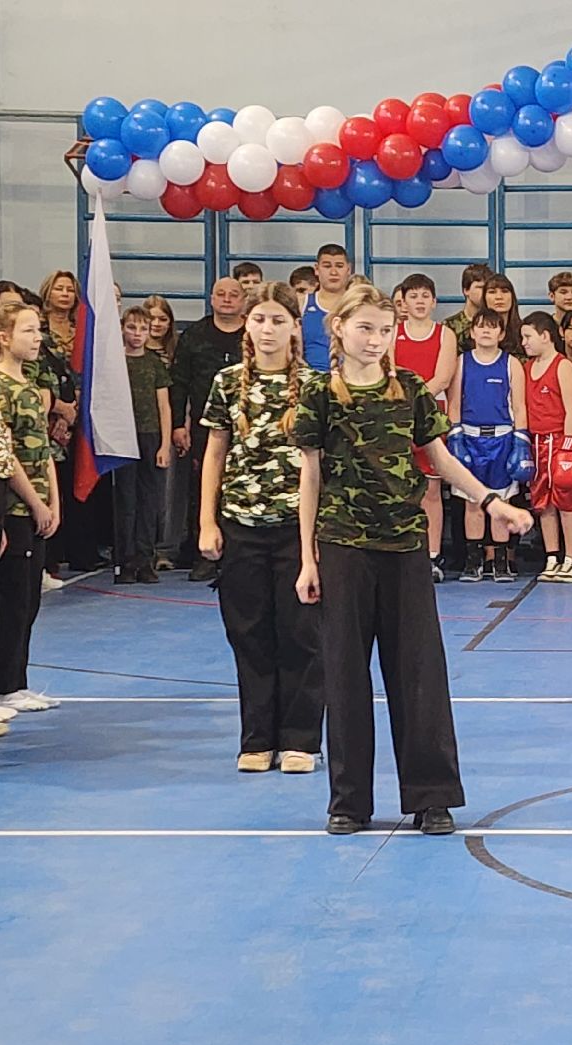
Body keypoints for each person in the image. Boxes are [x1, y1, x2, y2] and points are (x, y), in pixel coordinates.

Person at [294, 284, 533, 836]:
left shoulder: (410, 391)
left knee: (420, 675)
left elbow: (440, 460)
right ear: (339, 330)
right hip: (342, 547)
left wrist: (492, 500)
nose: (376, 340)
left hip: (405, 546)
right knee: (346, 678)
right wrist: (307, 558)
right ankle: (349, 801)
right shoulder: (319, 395)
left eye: (385, 330)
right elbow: (309, 477)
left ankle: (430, 797)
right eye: (365, 328)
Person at [197, 283, 323, 775]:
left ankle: (301, 738)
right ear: (246, 327)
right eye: (259, 320)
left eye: (277, 320)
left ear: (295, 326)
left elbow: (322, 461)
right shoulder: (228, 383)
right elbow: (215, 452)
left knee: (300, 633)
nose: (267, 330)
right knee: (248, 633)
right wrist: (207, 520)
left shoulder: (315, 386)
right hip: (241, 523)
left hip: (297, 527)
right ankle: (257, 737)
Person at [0, 300, 60, 715]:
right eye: (28, 331)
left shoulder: (30, 385)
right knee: (11, 598)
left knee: (28, 598)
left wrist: (53, 501)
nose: (37, 338)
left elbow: (42, 448)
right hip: (13, 508)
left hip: (36, 507)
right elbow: (5, 455)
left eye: (39, 330)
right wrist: (33, 500)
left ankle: (16, 680)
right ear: (3, 338)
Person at [170, 277, 247, 581]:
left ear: (243, 300)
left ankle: (235, 553)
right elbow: (179, 382)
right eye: (221, 294)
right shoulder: (195, 335)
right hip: (206, 426)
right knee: (202, 486)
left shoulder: (252, 334)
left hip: (247, 427)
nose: (227, 300)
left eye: (234, 295)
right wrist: (178, 424)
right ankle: (203, 554)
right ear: (212, 298)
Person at [448, 311, 530, 583]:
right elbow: (454, 403)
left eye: (492, 327)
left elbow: (519, 405)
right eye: (480, 327)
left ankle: (500, 560)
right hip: (470, 436)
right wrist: (455, 435)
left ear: (502, 334)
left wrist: (521, 441)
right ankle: (474, 560)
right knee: (472, 502)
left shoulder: (511, 364)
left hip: (502, 438)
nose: (485, 332)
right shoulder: (462, 362)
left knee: (500, 500)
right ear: (471, 331)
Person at [389, 274, 459, 582]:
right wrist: (403, 408)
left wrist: (417, 404)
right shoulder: (393, 332)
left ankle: (431, 556)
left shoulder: (445, 334)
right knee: (400, 488)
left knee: (431, 489)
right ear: (403, 301)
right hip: (397, 415)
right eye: (413, 296)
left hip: (431, 414)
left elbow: (443, 378)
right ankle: (401, 553)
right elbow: (388, 373)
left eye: (424, 296)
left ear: (434, 301)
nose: (419, 301)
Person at [520, 312, 572, 583]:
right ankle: (552, 556)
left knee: (567, 502)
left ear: (545, 336)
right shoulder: (527, 367)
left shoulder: (562, 366)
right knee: (542, 502)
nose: (523, 342)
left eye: (528, 336)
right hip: (537, 441)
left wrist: (569, 448)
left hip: (561, 441)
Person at [113, 306, 173, 584]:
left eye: (143, 329)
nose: (137, 334)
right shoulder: (115, 362)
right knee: (126, 501)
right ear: (122, 328)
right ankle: (125, 560)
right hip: (122, 437)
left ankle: (144, 559)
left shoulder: (154, 363)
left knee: (150, 502)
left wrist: (164, 444)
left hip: (150, 436)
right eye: (132, 328)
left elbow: (164, 405)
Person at [299, 244, 351, 373]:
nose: (333, 272)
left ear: (349, 269)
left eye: (339, 266)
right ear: (316, 269)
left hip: (350, 379)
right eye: (327, 266)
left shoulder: (359, 305)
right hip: (310, 379)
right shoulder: (302, 303)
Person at [442, 263, 492, 347]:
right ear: (466, 290)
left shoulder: (496, 323)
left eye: (488, 288)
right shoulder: (449, 325)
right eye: (479, 287)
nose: (484, 292)